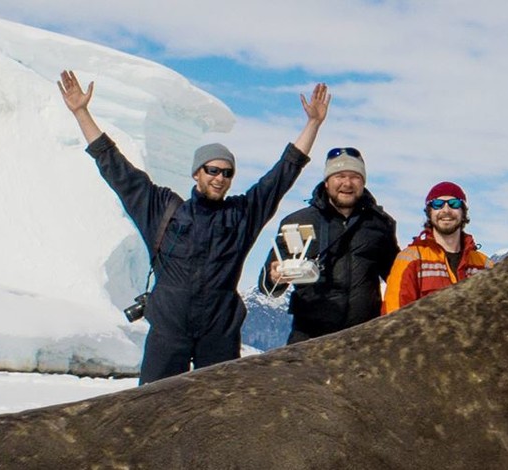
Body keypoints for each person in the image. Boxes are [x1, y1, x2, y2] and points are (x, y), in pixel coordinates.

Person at [58, 70, 330, 384]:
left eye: (227, 173)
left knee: (219, 414)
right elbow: (114, 167)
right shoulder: (162, 209)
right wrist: (81, 113)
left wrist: (313, 124)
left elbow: (283, 173)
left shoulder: (241, 214)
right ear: (196, 173)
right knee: (152, 410)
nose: (220, 177)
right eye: (212, 169)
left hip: (219, 335)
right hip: (168, 333)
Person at [259, 147, 399, 344]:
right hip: (308, 340)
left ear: (363, 182)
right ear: (327, 182)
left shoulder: (380, 225)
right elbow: (268, 288)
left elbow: (397, 278)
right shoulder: (297, 222)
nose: (347, 183)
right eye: (340, 176)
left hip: (363, 339)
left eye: (355, 177)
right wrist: (276, 278)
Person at [382, 181, 493, 315]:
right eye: (437, 204)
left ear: (463, 211)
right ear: (429, 212)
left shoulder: (484, 264)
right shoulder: (410, 259)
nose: (446, 210)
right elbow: (392, 316)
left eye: (454, 204)